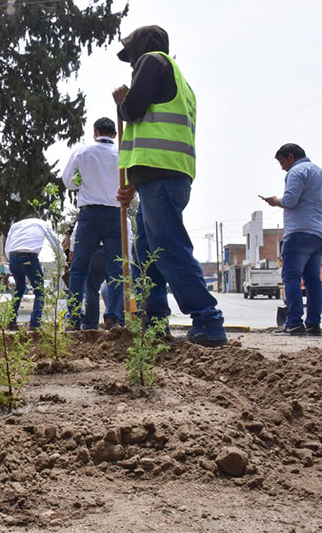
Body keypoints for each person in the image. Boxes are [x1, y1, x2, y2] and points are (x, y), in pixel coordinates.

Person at [113, 25, 227, 347]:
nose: (132, 62)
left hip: (162, 178)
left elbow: (134, 109)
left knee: (169, 250)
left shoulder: (154, 61)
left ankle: (208, 320)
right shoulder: (181, 82)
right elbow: (155, 136)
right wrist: (133, 184)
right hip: (166, 177)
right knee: (148, 253)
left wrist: (124, 103)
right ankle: (154, 322)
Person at [62, 117, 125, 330]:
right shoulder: (122, 153)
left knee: (79, 269)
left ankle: (73, 318)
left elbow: (69, 182)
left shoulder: (82, 152)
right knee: (117, 269)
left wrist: (82, 179)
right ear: (114, 134)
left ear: (95, 132)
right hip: (115, 215)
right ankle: (114, 318)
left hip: (89, 215)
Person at [262, 143, 322, 336]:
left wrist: (275, 201)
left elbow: (290, 201)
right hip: (320, 234)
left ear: (290, 157)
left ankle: (293, 323)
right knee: (313, 281)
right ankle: (313, 325)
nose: (282, 167)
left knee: (291, 278)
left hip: (299, 233)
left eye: (282, 162)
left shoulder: (296, 172)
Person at [4, 213, 61, 330]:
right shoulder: (41, 223)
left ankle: (11, 322)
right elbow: (54, 242)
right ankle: (35, 324)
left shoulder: (15, 225)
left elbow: (7, 246)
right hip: (28, 256)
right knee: (39, 291)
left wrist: (12, 260)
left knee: (19, 289)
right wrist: (63, 260)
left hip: (13, 257)